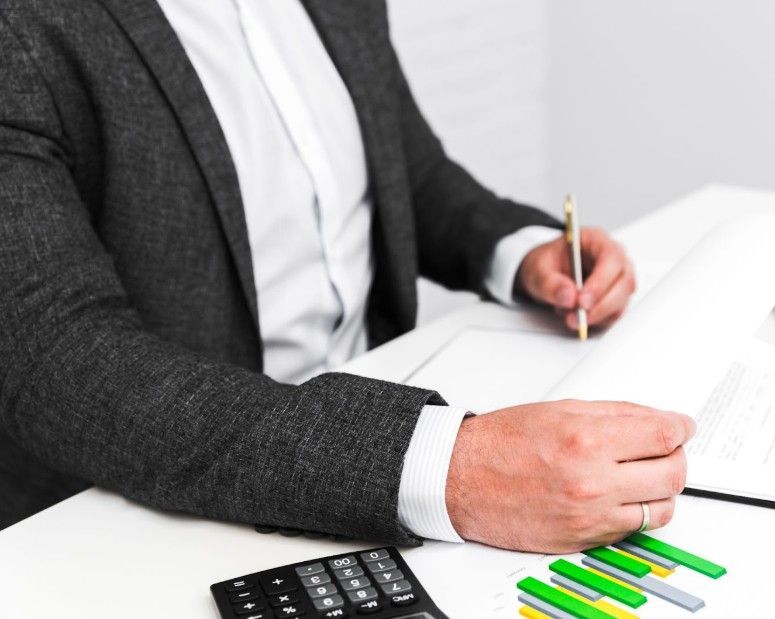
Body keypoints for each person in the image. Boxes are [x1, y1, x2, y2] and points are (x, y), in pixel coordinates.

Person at [0, 0, 694, 553]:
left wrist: (522, 251)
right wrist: (444, 468)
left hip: (387, 410)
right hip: (149, 518)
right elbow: (56, 356)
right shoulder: (22, 26)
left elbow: (406, 172)